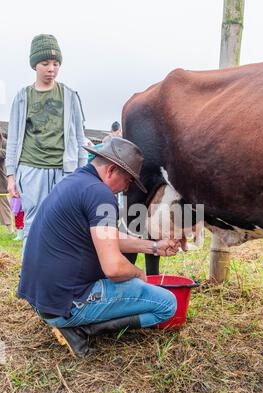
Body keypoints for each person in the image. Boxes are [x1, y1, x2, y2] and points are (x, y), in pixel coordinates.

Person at [18, 137, 180, 358]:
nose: (126, 189)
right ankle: (81, 330)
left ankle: (73, 324)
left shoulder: (75, 182)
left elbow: (106, 238)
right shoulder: (101, 194)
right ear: (112, 170)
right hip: (68, 304)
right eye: (128, 181)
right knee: (167, 305)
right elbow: (113, 268)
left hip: (44, 300)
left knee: (129, 263)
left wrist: (153, 247)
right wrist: (138, 273)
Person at [5, 34, 86, 250]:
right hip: (31, 169)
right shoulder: (23, 97)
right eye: (45, 63)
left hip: (64, 170)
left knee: (64, 223)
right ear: (35, 65)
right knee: (33, 222)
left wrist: (81, 172)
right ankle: (30, 276)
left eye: (56, 63)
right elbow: (13, 138)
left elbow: (79, 138)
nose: (51, 68)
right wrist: (11, 175)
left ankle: (58, 276)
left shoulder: (69, 95)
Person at [0, 130, 14, 235]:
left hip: (2, 179)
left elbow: (7, 154)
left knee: (4, 204)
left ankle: (11, 231)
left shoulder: (4, 142)